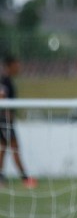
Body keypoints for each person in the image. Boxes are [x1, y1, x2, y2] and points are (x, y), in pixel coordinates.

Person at [0, 55, 37, 189]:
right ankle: (25, 178)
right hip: (5, 121)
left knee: (3, 148)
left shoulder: (7, 80)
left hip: (5, 120)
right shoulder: (4, 80)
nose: (19, 67)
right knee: (15, 148)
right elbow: (2, 97)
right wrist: (7, 115)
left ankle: (2, 178)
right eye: (17, 65)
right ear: (10, 66)